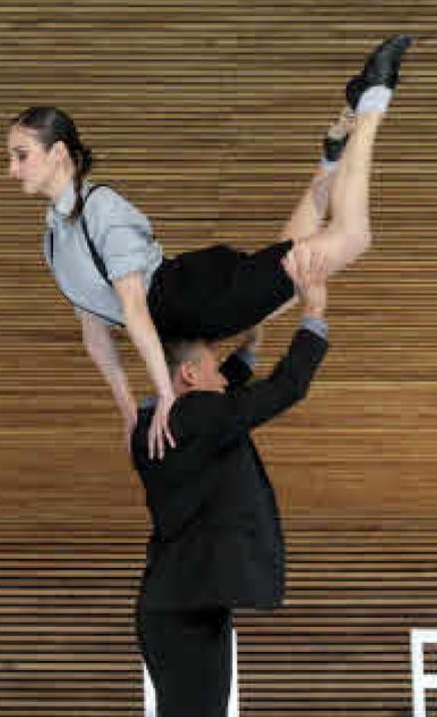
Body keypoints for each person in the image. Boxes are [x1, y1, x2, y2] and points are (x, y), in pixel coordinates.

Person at [6, 34, 412, 458]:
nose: (12, 170)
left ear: (56, 153)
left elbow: (134, 308)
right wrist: (128, 409)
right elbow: (95, 335)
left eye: (21, 155)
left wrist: (164, 395)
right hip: (193, 315)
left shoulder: (100, 207)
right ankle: (332, 156)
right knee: (288, 272)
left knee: (351, 239)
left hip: (195, 300)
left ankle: (372, 101)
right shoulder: (54, 239)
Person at [131, 248, 330, 717]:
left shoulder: (158, 424)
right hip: (186, 612)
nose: (223, 376)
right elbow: (284, 389)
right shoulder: (195, 417)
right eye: (213, 368)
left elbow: (223, 401)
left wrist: (249, 345)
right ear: (188, 374)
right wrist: (314, 313)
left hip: (178, 605)